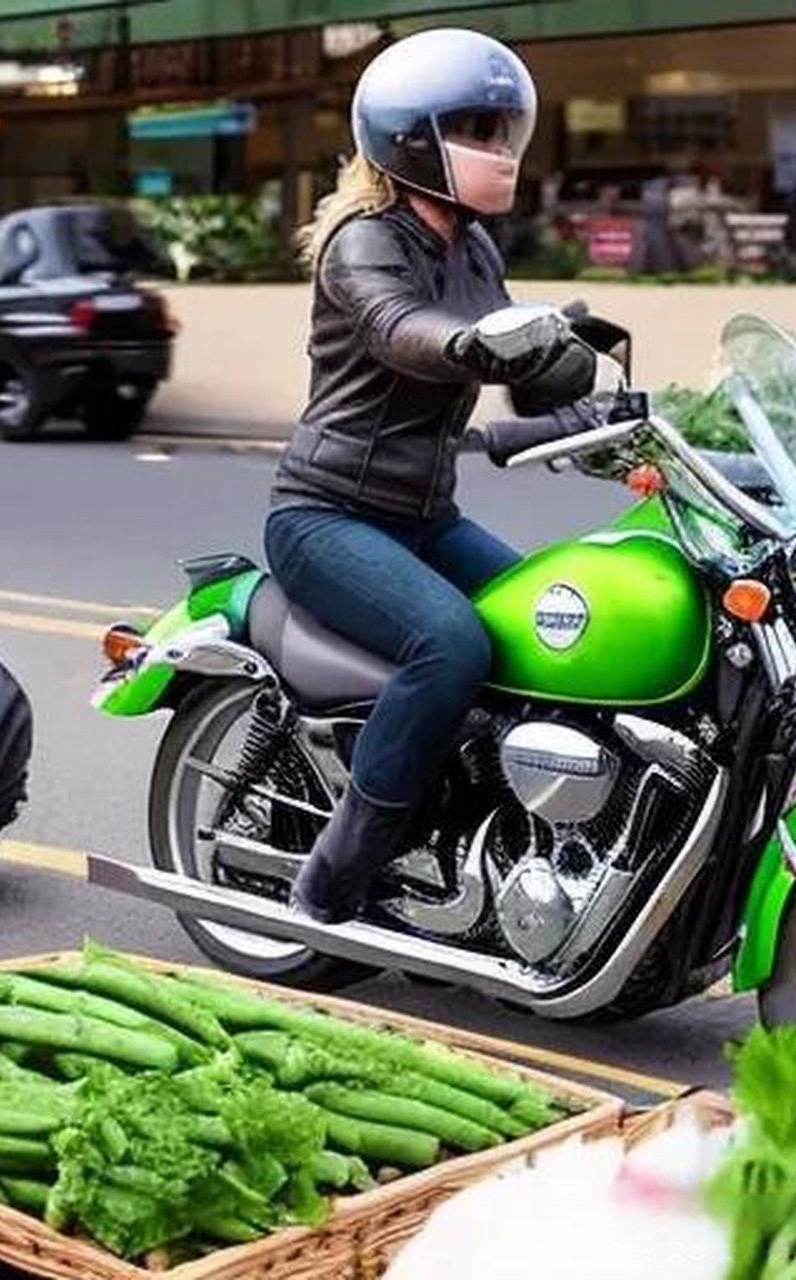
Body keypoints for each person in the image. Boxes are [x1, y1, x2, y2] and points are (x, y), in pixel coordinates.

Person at [268, 29, 600, 924]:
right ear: (411, 138)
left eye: (502, 129)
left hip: (427, 518)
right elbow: (398, 329)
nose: (499, 148)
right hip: (327, 516)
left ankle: (501, 830)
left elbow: (531, 369)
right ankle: (335, 875)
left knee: (557, 626)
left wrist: (582, 366)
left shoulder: (473, 250)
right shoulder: (363, 243)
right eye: (475, 130)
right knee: (451, 643)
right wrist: (470, 344)